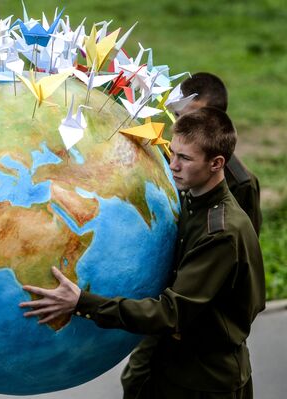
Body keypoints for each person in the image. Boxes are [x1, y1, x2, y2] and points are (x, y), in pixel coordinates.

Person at [20, 107, 265, 398]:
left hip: (207, 382)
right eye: (172, 153)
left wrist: (82, 302)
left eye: (184, 159)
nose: (172, 165)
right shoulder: (191, 201)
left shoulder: (221, 233)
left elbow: (172, 313)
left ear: (217, 163)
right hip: (173, 365)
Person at [120, 73, 264, 399]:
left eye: (191, 115)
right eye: (179, 116)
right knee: (136, 381)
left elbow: (232, 261)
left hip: (198, 343)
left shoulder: (230, 206)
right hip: (172, 325)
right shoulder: (188, 176)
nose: (174, 162)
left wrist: (83, 303)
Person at [176, 72, 262, 236]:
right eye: (177, 116)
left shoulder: (241, 183)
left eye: (192, 121)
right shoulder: (168, 158)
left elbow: (241, 241)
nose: (179, 126)